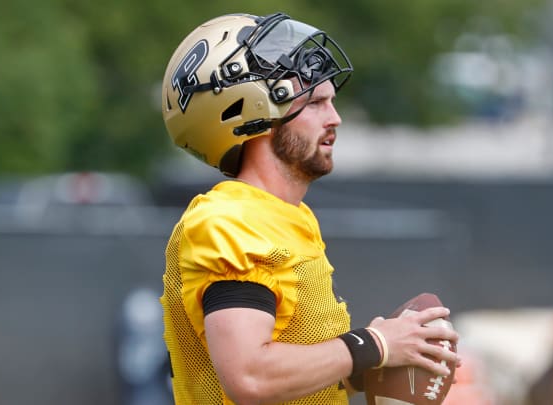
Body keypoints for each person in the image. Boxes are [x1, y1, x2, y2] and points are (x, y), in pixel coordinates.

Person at [159, 12, 459, 404]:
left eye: (331, 101)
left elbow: (291, 382)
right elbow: (250, 377)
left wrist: (375, 367)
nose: (334, 118)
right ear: (251, 112)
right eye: (316, 102)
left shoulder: (286, 217)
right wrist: (373, 344)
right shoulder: (231, 221)